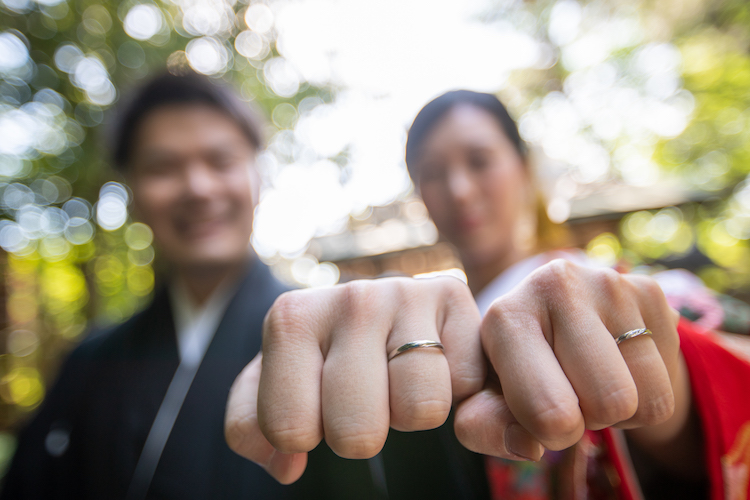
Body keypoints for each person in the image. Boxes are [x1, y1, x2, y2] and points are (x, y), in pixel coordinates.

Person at [225, 91, 750, 500]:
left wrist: (670, 373)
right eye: (432, 173)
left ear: (523, 167)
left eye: (479, 160)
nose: (458, 189)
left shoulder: (636, 290)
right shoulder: (418, 332)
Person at [2, 71, 415, 500]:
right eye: (163, 167)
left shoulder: (333, 347)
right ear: (132, 194)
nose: (198, 187)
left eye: (220, 161)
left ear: (258, 177)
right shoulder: (89, 363)